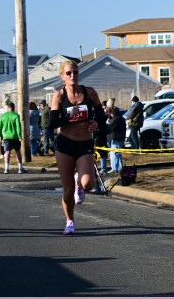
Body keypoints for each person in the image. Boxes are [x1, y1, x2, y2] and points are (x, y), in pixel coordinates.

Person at [49, 61, 105, 235]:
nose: (72, 75)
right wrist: (68, 117)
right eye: (68, 73)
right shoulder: (59, 96)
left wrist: (97, 124)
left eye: (75, 72)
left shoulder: (89, 92)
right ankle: (70, 221)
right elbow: (51, 123)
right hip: (65, 144)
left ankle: (79, 183)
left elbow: (101, 114)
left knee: (88, 183)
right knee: (67, 190)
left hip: (85, 144)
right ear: (62, 76)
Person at [0, 100, 26, 174]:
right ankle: (20, 168)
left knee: (7, 152)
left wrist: (0, 135)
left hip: (6, 136)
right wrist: (20, 136)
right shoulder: (16, 115)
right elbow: (18, 127)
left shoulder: (3, 116)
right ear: (14, 108)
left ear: (8, 108)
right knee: (18, 151)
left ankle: (6, 168)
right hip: (15, 136)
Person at [105, 105, 126, 173]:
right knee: (117, 153)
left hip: (116, 138)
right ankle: (120, 167)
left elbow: (109, 128)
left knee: (114, 153)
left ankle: (114, 168)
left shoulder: (115, 119)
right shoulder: (121, 118)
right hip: (120, 138)